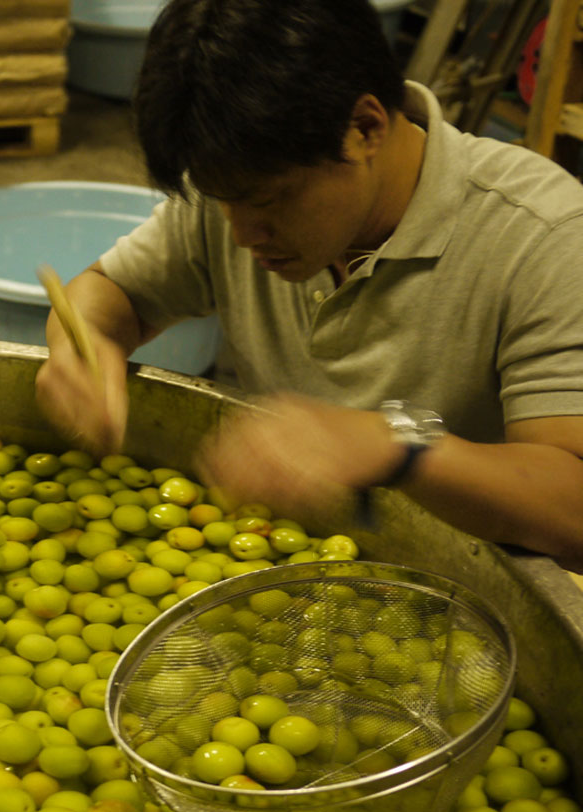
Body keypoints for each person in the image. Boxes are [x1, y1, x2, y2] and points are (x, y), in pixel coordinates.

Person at [34, 0, 583, 572]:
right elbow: (111, 290)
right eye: (223, 202)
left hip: (464, 589)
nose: (243, 235)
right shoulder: (237, 184)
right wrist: (85, 343)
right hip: (284, 566)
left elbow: (575, 510)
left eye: (270, 201)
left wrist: (394, 446)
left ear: (365, 127)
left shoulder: (545, 236)